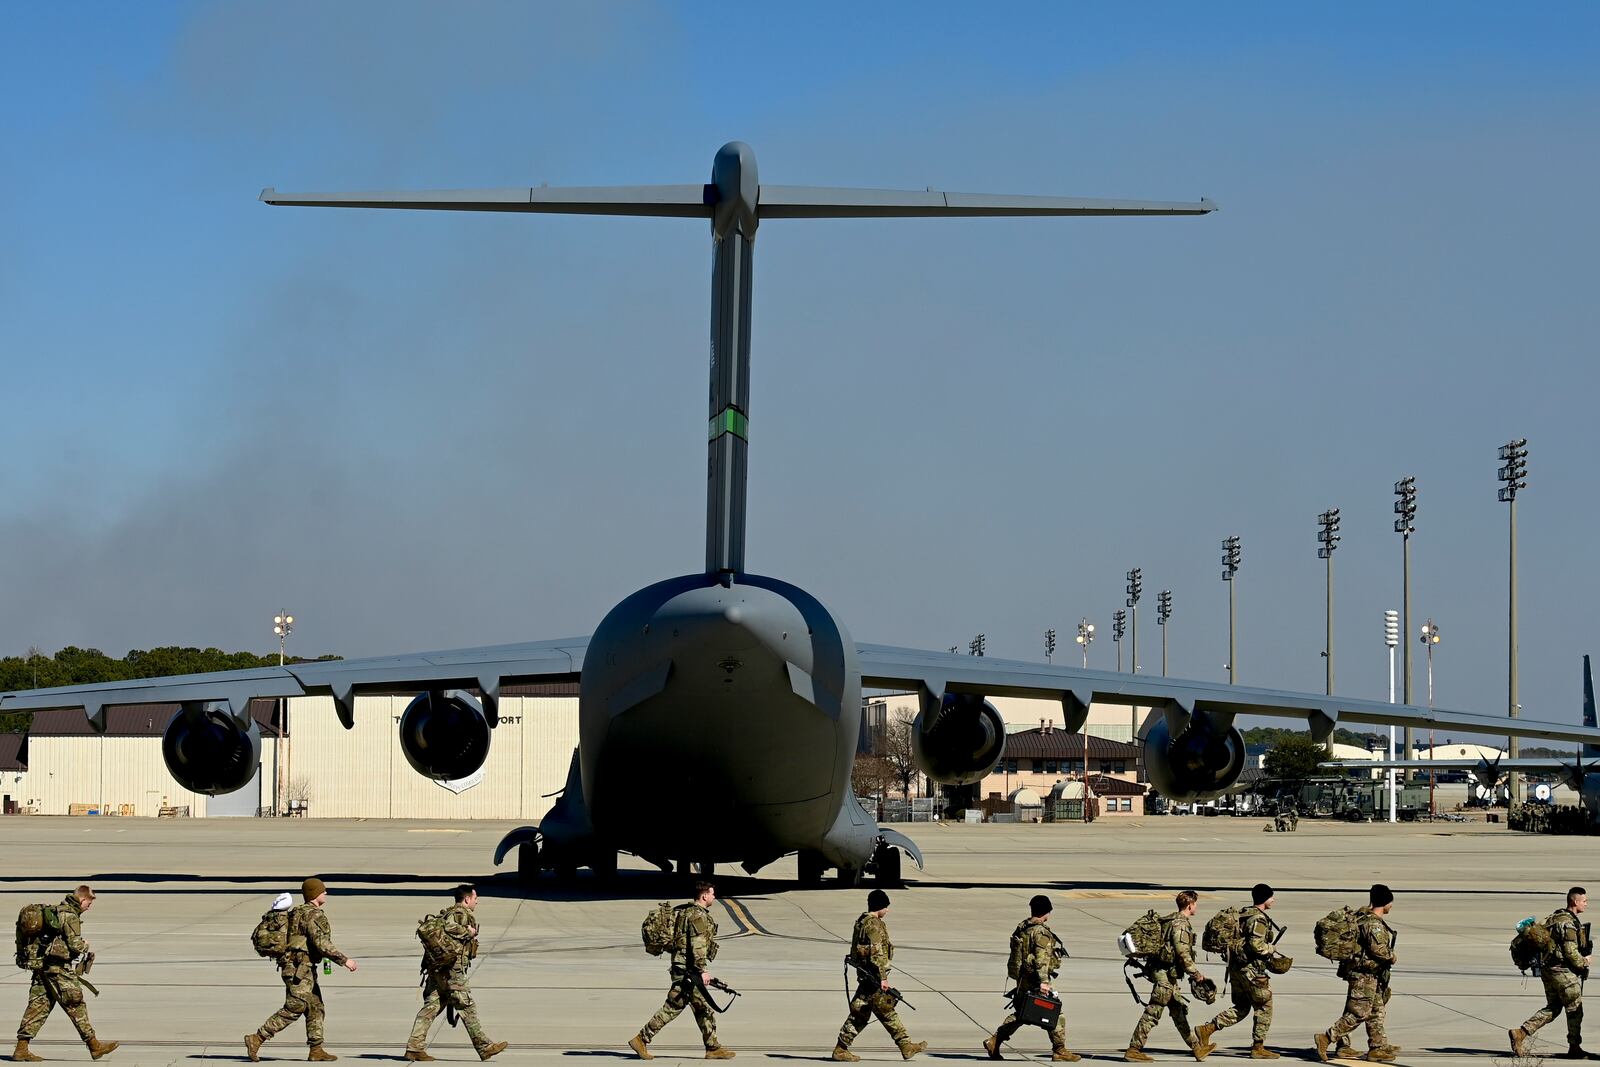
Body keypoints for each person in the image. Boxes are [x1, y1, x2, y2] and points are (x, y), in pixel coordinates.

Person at [245, 877, 359, 1063]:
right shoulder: (314, 915)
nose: (326, 893)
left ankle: (316, 1049)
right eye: (323, 890)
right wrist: (345, 961)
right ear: (315, 894)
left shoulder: (297, 912)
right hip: (299, 969)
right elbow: (321, 944)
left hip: (299, 967)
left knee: (315, 1006)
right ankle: (257, 1038)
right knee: (295, 1007)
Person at [630, 881, 735, 1060]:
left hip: (682, 967)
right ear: (704, 896)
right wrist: (702, 970)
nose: (714, 897)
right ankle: (641, 1039)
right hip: (689, 970)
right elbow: (697, 945)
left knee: (701, 1008)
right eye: (712, 894)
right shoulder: (698, 916)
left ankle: (713, 1047)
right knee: (674, 1007)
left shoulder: (684, 911)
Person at [12, 884, 118, 1062]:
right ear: (82, 899)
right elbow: (75, 945)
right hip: (57, 969)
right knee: (75, 1003)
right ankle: (94, 1046)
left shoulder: (56, 911)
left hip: (41, 966)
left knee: (38, 1006)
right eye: (89, 904)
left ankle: (21, 1048)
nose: (88, 907)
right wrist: (85, 945)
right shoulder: (69, 915)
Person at [405, 884, 508, 1062]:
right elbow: (449, 927)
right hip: (452, 970)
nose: (477, 902)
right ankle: (484, 1047)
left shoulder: (447, 911)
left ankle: (414, 1048)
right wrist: (468, 932)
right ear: (467, 899)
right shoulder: (461, 914)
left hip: (438, 970)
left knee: (431, 1007)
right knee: (467, 1006)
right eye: (475, 899)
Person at [832, 889, 928, 1062]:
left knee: (860, 1013)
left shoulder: (862, 921)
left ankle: (841, 1049)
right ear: (880, 906)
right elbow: (877, 953)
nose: (888, 910)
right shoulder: (874, 925)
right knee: (886, 1011)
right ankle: (906, 1045)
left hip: (866, 974)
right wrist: (883, 978)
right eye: (886, 906)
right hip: (873, 976)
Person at [1196, 884, 1288, 1060]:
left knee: (1242, 1007)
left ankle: (1207, 1029)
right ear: (1265, 899)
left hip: (1236, 969)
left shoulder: (1243, 914)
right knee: (1264, 1005)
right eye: (1271, 897)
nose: (1273, 900)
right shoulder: (1259, 919)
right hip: (1252, 971)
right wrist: (1271, 948)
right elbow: (1256, 945)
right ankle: (1258, 1047)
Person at [983, 894, 1079, 1061]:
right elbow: (1041, 959)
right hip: (1036, 980)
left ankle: (994, 1041)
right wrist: (1044, 982)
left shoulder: (1022, 928)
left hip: (1022, 979)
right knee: (1055, 1013)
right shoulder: (1041, 932)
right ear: (1047, 911)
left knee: (1022, 1014)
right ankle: (1060, 1051)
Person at [1511, 887, 1598, 1059]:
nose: (1586, 904)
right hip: (1562, 972)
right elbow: (1570, 952)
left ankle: (1520, 1033)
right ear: (1574, 901)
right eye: (1584, 901)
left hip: (1548, 971)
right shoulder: (1568, 924)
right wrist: (1584, 962)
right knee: (1575, 1008)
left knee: (1554, 1007)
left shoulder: (1554, 917)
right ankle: (1575, 1048)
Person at [1315, 885, 1398, 1063]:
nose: (1391, 905)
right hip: (1364, 975)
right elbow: (1379, 950)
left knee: (1376, 1011)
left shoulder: (1363, 917)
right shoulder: (1374, 924)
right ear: (1386, 903)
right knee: (1358, 1013)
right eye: (1390, 902)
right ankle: (1327, 1038)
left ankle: (1377, 1047)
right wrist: (1392, 956)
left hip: (1368, 974)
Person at [1126, 891, 1209, 1061]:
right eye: (1196, 904)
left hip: (1164, 972)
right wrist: (1195, 973)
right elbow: (1182, 952)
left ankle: (1196, 1048)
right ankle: (1134, 1049)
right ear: (1190, 905)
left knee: (1178, 1011)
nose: (1196, 907)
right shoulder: (1180, 924)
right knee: (1153, 1011)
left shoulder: (1169, 919)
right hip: (1164, 974)